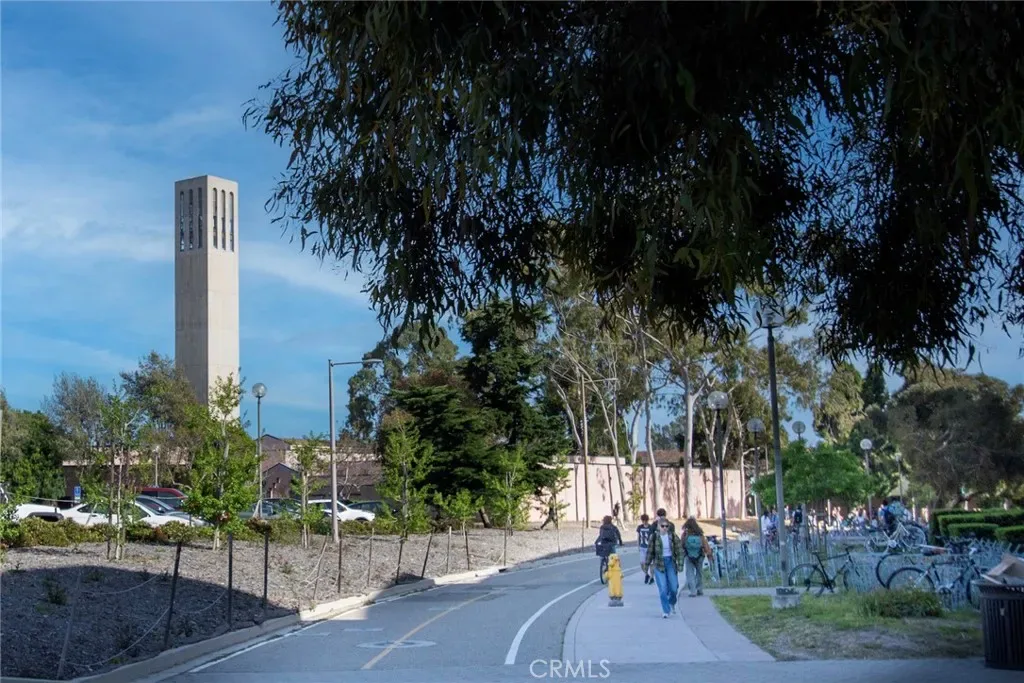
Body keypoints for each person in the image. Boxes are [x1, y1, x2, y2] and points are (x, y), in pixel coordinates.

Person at [641, 517, 683, 618]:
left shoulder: (673, 536)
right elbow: (650, 552)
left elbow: (679, 550)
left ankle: (672, 602)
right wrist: (646, 566)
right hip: (659, 564)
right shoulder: (654, 537)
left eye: (666, 526)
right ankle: (666, 610)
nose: (664, 528)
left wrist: (680, 564)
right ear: (658, 527)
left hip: (670, 562)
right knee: (663, 588)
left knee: (674, 587)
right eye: (662, 526)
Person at [681, 516, 713, 597]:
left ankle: (693, 591)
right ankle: (699, 589)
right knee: (699, 573)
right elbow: (705, 545)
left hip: (688, 556)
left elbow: (681, 545)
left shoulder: (685, 534)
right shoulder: (700, 534)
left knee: (690, 573)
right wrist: (709, 554)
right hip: (700, 556)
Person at [636, 513, 654, 584]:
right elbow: (638, 537)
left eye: (645, 520)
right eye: (643, 520)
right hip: (642, 547)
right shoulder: (639, 527)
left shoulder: (651, 527)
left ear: (647, 520)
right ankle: (646, 574)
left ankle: (652, 577)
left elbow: (652, 537)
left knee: (651, 564)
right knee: (642, 563)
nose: (644, 522)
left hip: (649, 548)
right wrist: (638, 545)